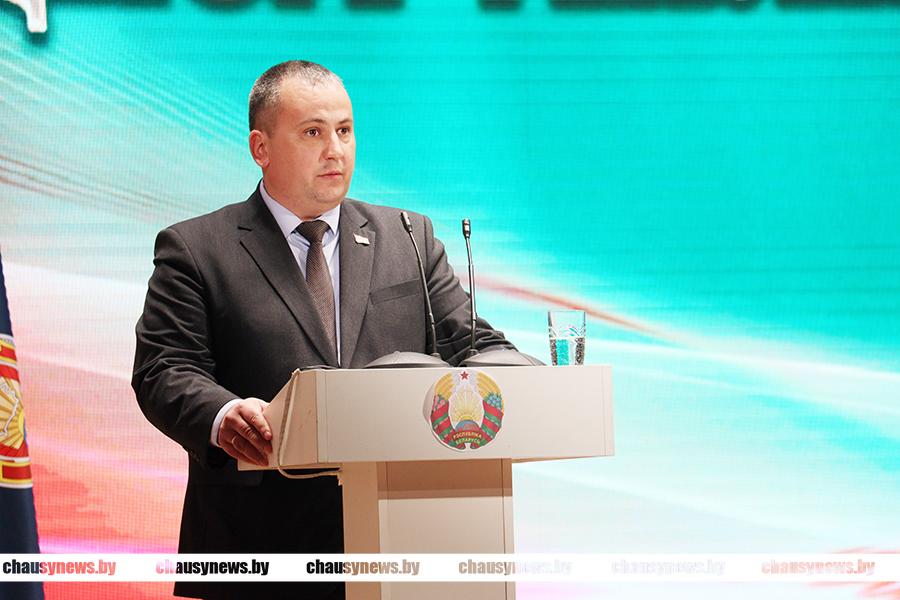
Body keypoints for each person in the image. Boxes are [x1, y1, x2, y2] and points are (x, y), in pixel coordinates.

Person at [132, 60, 514, 599]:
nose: (335, 150)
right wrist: (222, 415)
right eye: (313, 132)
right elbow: (164, 369)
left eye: (345, 130)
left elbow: (474, 345)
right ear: (261, 148)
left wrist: (519, 378)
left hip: (402, 538)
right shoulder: (197, 248)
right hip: (258, 547)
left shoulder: (409, 236)